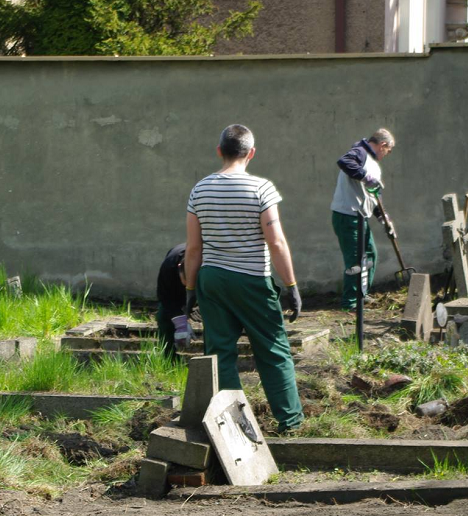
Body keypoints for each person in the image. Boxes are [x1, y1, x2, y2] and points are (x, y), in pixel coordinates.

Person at [185, 124, 304, 431]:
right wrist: (291, 285)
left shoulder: (200, 189)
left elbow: (194, 247)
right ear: (251, 153)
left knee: (220, 353)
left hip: (212, 280)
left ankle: (233, 427)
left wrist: (190, 288)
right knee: (273, 350)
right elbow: (276, 242)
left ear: (219, 151)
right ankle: (289, 423)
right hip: (252, 280)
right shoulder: (261, 189)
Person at [330, 129, 394, 309]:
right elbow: (344, 161)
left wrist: (384, 219)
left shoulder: (373, 165)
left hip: (360, 217)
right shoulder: (360, 152)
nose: (387, 154)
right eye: (388, 150)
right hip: (347, 215)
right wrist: (365, 177)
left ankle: (361, 294)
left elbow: (374, 196)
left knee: (370, 254)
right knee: (355, 259)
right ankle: (350, 303)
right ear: (382, 145)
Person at [156, 243, 188, 359]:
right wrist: (180, 324)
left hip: (203, 285)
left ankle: (212, 358)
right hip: (174, 290)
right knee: (163, 317)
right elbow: (165, 297)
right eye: (186, 280)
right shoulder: (168, 267)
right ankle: (169, 358)